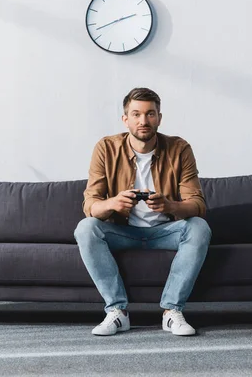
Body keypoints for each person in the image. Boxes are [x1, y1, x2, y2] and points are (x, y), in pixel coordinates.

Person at [74, 87, 212, 337]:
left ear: (159, 117)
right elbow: (90, 205)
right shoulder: (106, 148)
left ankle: (172, 311)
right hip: (121, 231)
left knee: (199, 228)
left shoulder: (179, 149)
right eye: (136, 114)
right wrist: (113, 203)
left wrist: (170, 206)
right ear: (125, 119)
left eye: (150, 114)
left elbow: (198, 205)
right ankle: (117, 312)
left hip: (165, 231)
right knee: (86, 228)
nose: (143, 121)